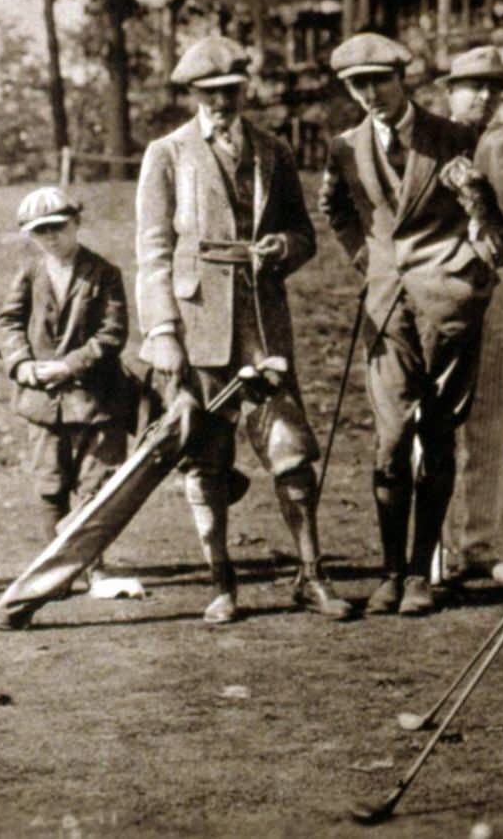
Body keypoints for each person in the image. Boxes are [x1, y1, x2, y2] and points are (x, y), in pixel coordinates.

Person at [136, 36, 350, 624]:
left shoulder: (273, 152)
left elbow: (305, 233)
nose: (221, 103)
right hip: (198, 322)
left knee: (291, 451)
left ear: (243, 90)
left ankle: (311, 576)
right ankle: (222, 583)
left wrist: (283, 247)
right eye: (209, 94)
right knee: (205, 458)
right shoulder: (168, 154)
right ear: (193, 96)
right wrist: (162, 332)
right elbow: (152, 253)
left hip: (262, 324)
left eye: (230, 92)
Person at [319, 32, 503, 617]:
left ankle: (421, 575)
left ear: (403, 77)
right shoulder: (344, 147)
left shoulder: (454, 137)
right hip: (385, 306)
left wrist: (472, 242)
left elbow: (498, 224)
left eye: (379, 80)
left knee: (438, 433)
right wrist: (364, 257)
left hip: (448, 305)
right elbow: (337, 210)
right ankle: (390, 573)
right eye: (357, 85)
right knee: (391, 439)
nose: (370, 93)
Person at [0, 188, 131, 629]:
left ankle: (95, 567)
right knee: (50, 486)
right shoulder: (30, 273)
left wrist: (68, 366)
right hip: (43, 404)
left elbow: (112, 333)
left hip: (95, 400)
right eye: (40, 233)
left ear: (76, 224)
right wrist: (22, 364)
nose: (50, 239)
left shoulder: (104, 273)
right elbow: (9, 322)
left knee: (96, 488)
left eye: (58, 229)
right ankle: (53, 574)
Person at [437, 47, 503, 586]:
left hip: (500, 289)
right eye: (473, 85)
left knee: (491, 419)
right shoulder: (428, 140)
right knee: (436, 419)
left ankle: (478, 543)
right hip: (441, 290)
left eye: (494, 87)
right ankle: (434, 546)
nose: (485, 96)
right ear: (450, 90)